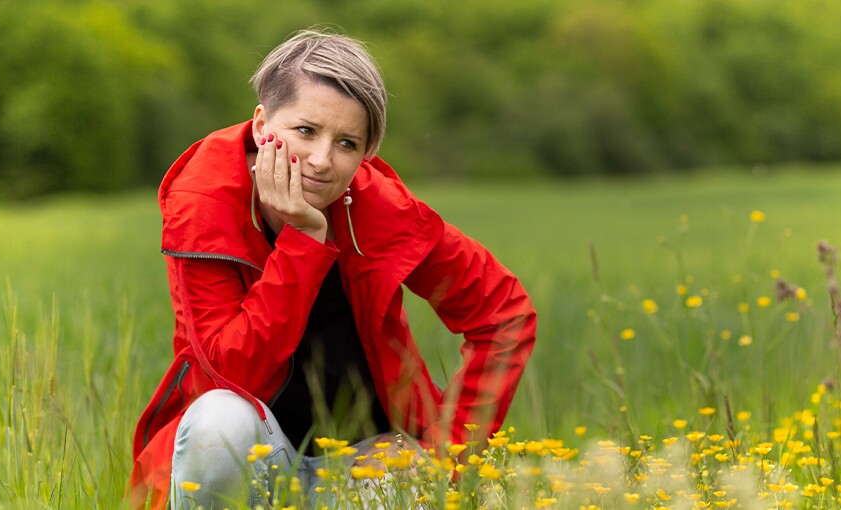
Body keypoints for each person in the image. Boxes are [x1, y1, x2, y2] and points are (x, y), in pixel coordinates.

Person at [128, 29, 536, 508]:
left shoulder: (377, 207)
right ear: (262, 125)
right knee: (220, 420)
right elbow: (232, 376)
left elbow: (503, 313)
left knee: (426, 488)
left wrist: (444, 455)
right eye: (306, 131)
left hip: (367, 465)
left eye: (346, 143)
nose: (322, 160)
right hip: (253, 460)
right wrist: (304, 240)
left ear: (366, 154)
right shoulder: (205, 204)